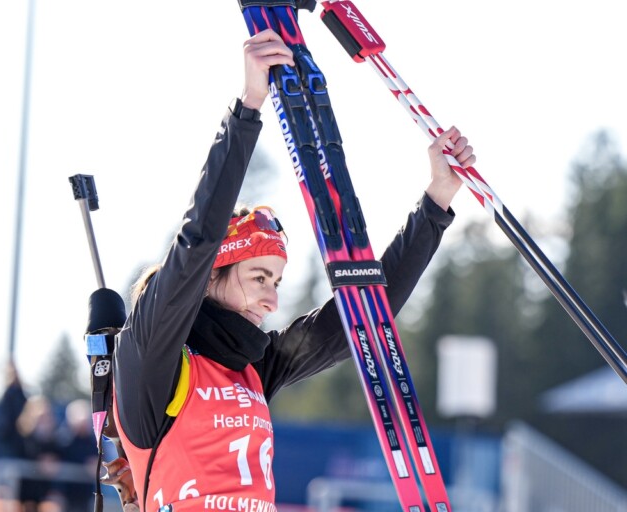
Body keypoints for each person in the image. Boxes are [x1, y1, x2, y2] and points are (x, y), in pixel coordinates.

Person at [107, 29, 476, 511]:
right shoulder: (153, 354)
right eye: (258, 277)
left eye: (277, 281)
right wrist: (248, 107)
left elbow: (362, 319)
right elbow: (197, 242)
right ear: (212, 275)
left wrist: (436, 202)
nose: (272, 299)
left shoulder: (253, 366)